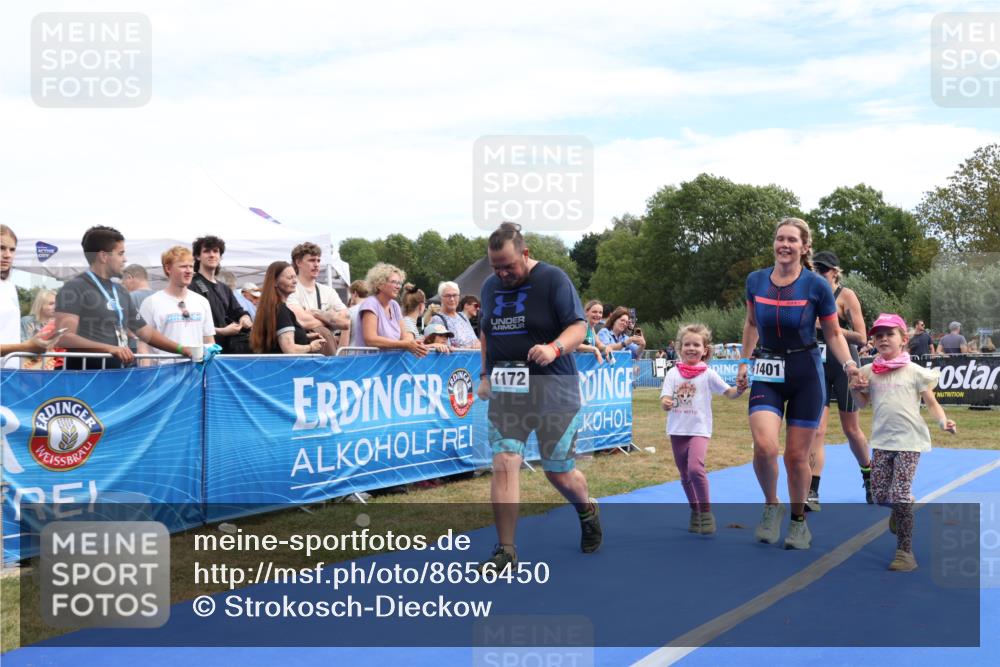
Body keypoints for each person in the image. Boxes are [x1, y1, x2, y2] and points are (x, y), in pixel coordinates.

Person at [475, 222, 600, 572]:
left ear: (525, 254)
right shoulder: (488, 287)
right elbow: (485, 332)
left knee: (558, 471)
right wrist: (484, 375)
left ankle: (586, 508)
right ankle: (506, 550)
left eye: (508, 266)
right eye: (495, 267)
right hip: (507, 392)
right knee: (504, 462)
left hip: (554, 389)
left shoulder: (553, 279)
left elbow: (579, 327)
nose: (502, 274)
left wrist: (554, 348)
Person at [735, 218, 860, 550]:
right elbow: (750, 324)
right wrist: (745, 362)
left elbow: (833, 333)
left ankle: (798, 521)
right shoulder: (756, 280)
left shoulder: (816, 285)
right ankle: (771, 504)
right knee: (764, 447)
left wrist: (848, 365)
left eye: (792, 239)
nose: (784, 245)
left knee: (795, 457)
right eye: (779, 239)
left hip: (805, 370)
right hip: (767, 368)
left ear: (805, 247)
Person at [850, 313, 957, 571]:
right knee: (878, 495)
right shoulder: (868, 371)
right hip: (882, 441)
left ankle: (905, 553)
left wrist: (944, 422)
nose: (883, 339)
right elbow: (861, 404)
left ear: (903, 340)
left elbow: (931, 403)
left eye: (890, 334)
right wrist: (854, 388)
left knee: (900, 495)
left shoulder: (915, 372)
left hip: (910, 441)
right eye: (878, 335)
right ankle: (898, 511)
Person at [55, 226, 199, 369]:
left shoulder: (120, 291)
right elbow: (64, 338)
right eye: (120, 253)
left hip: (118, 377)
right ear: (104, 256)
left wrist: (181, 349)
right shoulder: (74, 288)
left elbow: (145, 331)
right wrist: (109, 349)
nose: (125, 259)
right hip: (85, 380)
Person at [660, 324, 745, 535]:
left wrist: (740, 389)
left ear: (705, 349)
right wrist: (666, 402)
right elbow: (664, 398)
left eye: (696, 344)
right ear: (680, 348)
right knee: (684, 475)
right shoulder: (673, 373)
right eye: (687, 344)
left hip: (700, 429)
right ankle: (695, 511)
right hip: (677, 430)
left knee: (695, 469)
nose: (691, 348)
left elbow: (729, 393)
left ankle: (706, 512)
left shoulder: (708, 373)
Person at [807, 250, 872, 510]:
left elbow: (862, 337)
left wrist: (831, 327)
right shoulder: (807, 294)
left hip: (844, 365)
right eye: (815, 269)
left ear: (835, 272)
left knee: (851, 429)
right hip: (817, 365)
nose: (819, 274)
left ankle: (868, 475)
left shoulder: (846, 296)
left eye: (823, 270)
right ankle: (812, 489)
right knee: (817, 429)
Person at [138, 247, 216, 364]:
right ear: (168, 268)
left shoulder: (202, 301)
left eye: (191, 266)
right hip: (163, 375)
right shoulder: (151, 302)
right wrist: (145, 376)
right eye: (183, 266)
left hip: (195, 374)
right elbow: (143, 345)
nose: (189, 271)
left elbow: (209, 340)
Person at [1, 225, 64, 367]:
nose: (7, 255)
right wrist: (27, 347)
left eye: (12, 249)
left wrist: (37, 342)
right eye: (1, 248)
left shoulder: (9, 286)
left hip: (10, 372)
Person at [249, 261, 331, 355]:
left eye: (295, 277)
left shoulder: (272, 308)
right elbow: (289, 349)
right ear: (275, 282)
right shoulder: (281, 310)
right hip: (285, 367)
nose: (295, 281)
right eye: (289, 278)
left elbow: (277, 341)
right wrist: (311, 347)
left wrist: (304, 336)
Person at [190, 235, 253, 354]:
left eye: (215, 251)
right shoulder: (192, 286)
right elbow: (190, 325)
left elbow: (238, 311)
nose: (212, 255)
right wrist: (221, 331)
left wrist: (244, 318)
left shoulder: (224, 288)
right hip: (204, 352)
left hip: (228, 352)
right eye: (206, 251)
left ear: (220, 256)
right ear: (198, 256)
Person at [354, 263, 428, 357]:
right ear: (379, 284)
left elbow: (405, 337)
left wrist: (418, 345)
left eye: (399, 283)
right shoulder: (370, 304)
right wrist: (405, 345)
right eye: (394, 282)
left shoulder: (394, 305)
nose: (398, 286)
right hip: (370, 365)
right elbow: (370, 339)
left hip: (390, 365)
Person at [286, 242, 349, 334]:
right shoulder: (290, 289)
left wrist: (317, 313)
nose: (316, 264)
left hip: (324, 346)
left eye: (318, 260)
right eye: (311, 260)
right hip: (301, 346)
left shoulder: (329, 291)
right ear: (298, 262)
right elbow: (301, 321)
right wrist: (330, 320)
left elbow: (345, 321)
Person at [20, 289, 63, 370]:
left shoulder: (59, 323)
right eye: (51, 303)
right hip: (30, 368)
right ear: (40, 305)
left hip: (52, 368)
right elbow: (24, 347)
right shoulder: (27, 321)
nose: (56, 306)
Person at [431, 281, 480, 349]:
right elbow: (445, 349)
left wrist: (478, 344)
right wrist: (471, 347)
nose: (452, 299)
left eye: (455, 295)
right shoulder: (437, 319)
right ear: (440, 298)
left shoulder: (462, 317)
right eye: (448, 296)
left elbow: (476, 340)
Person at [340, 279, 369, 352]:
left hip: (353, 355)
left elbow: (344, 343)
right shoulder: (376, 310)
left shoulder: (349, 312)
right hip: (373, 355)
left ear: (355, 293)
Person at [578, 299, 609, 364]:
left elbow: (598, 344)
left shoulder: (591, 327)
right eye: (594, 312)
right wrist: (594, 349)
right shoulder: (581, 325)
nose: (598, 315)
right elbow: (575, 345)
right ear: (586, 312)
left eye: (600, 313)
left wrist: (605, 348)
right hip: (577, 365)